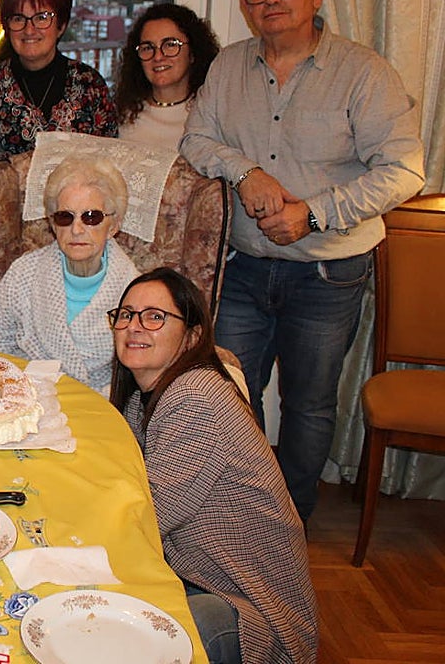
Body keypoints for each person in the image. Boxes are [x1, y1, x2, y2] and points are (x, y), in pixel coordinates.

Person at [181, 0, 425, 521]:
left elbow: (405, 171)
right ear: (244, 4)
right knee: (231, 394)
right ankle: (240, 514)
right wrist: (247, 172)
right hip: (243, 267)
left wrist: (313, 212)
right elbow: (196, 140)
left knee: (309, 406)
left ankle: (291, 522)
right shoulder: (229, 65)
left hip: (328, 272)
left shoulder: (363, 72)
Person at [109, 268, 317, 664]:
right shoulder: (143, 400)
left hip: (253, 614)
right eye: (126, 314)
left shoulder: (196, 396)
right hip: (198, 577)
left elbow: (145, 518)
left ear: (192, 335)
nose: (134, 326)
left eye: (154, 317)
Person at [0, 0, 117, 268]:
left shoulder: (90, 84)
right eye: (18, 18)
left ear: (61, 24)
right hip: (1, 235)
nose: (29, 29)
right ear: (7, 26)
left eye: (42, 17)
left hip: (74, 235)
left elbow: (109, 169)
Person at [0, 155, 138, 395]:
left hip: (106, 403)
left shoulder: (135, 289)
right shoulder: (24, 274)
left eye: (91, 217)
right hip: (27, 394)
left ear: (113, 226)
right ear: (52, 224)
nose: (76, 229)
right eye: (65, 217)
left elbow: (140, 372)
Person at [114, 3, 220, 150]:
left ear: (193, 53)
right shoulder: (121, 115)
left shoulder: (211, 116)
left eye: (170, 45)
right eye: (148, 48)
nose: (158, 57)